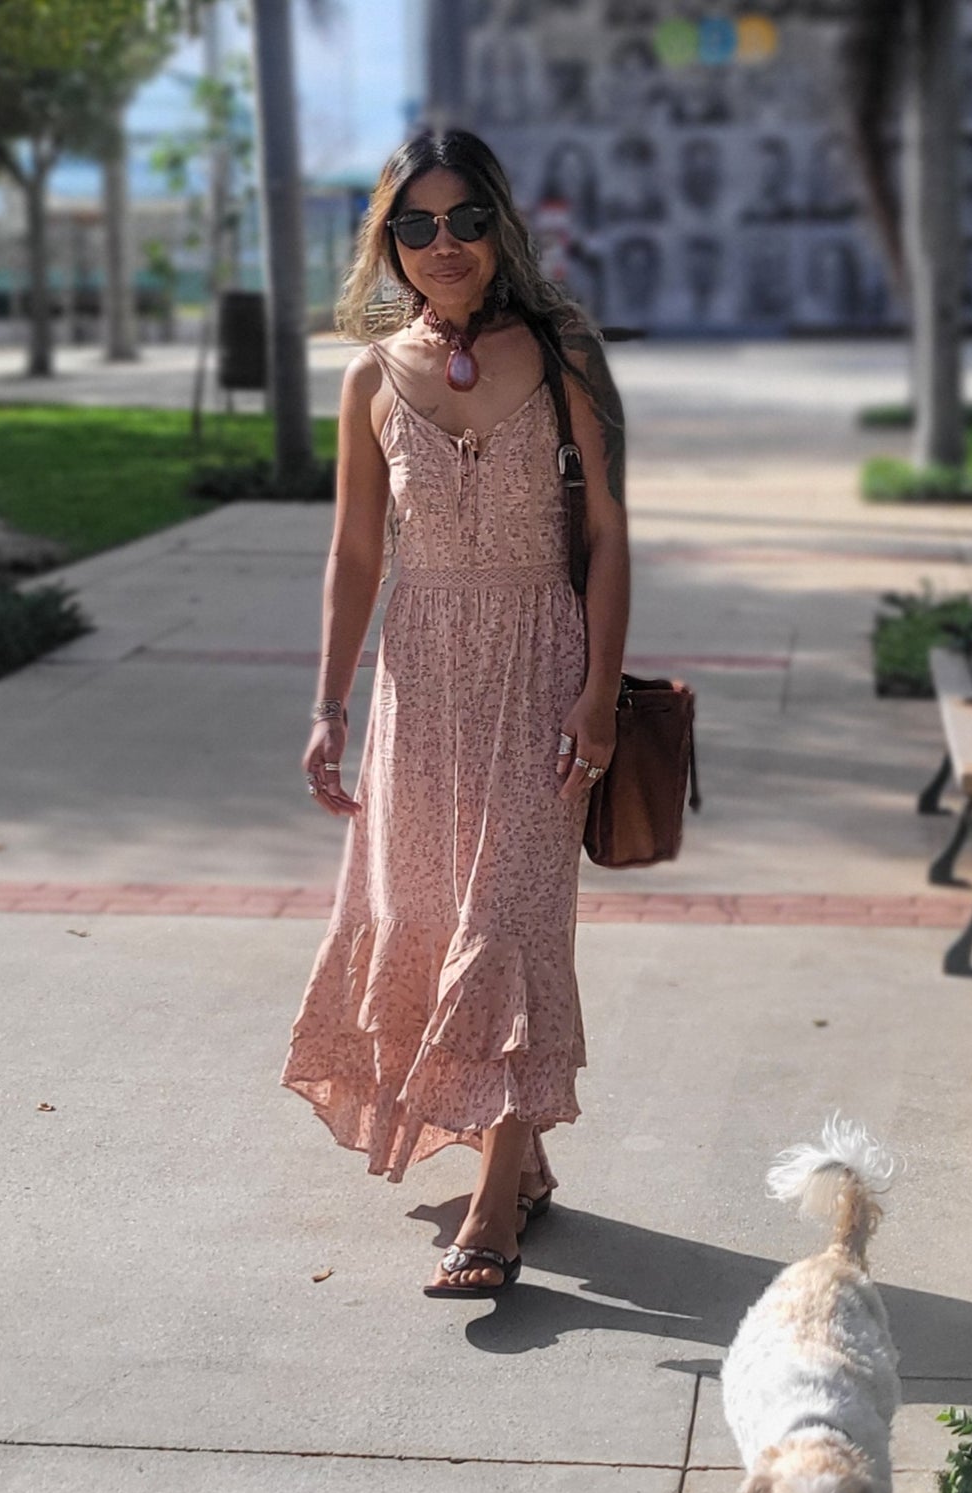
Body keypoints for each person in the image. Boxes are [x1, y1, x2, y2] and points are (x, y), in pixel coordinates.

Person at [282, 129, 630, 1299]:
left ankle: (493, 1209)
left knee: (507, 924)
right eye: (415, 225)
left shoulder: (565, 352)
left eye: (464, 220)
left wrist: (597, 692)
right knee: (429, 915)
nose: (443, 246)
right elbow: (352, 552)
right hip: (418, 679)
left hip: (538, 664)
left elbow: (608, 533)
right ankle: (517, 1152)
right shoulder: (370, 379)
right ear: (388, 240)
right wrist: (329, 705)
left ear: (499, 228)